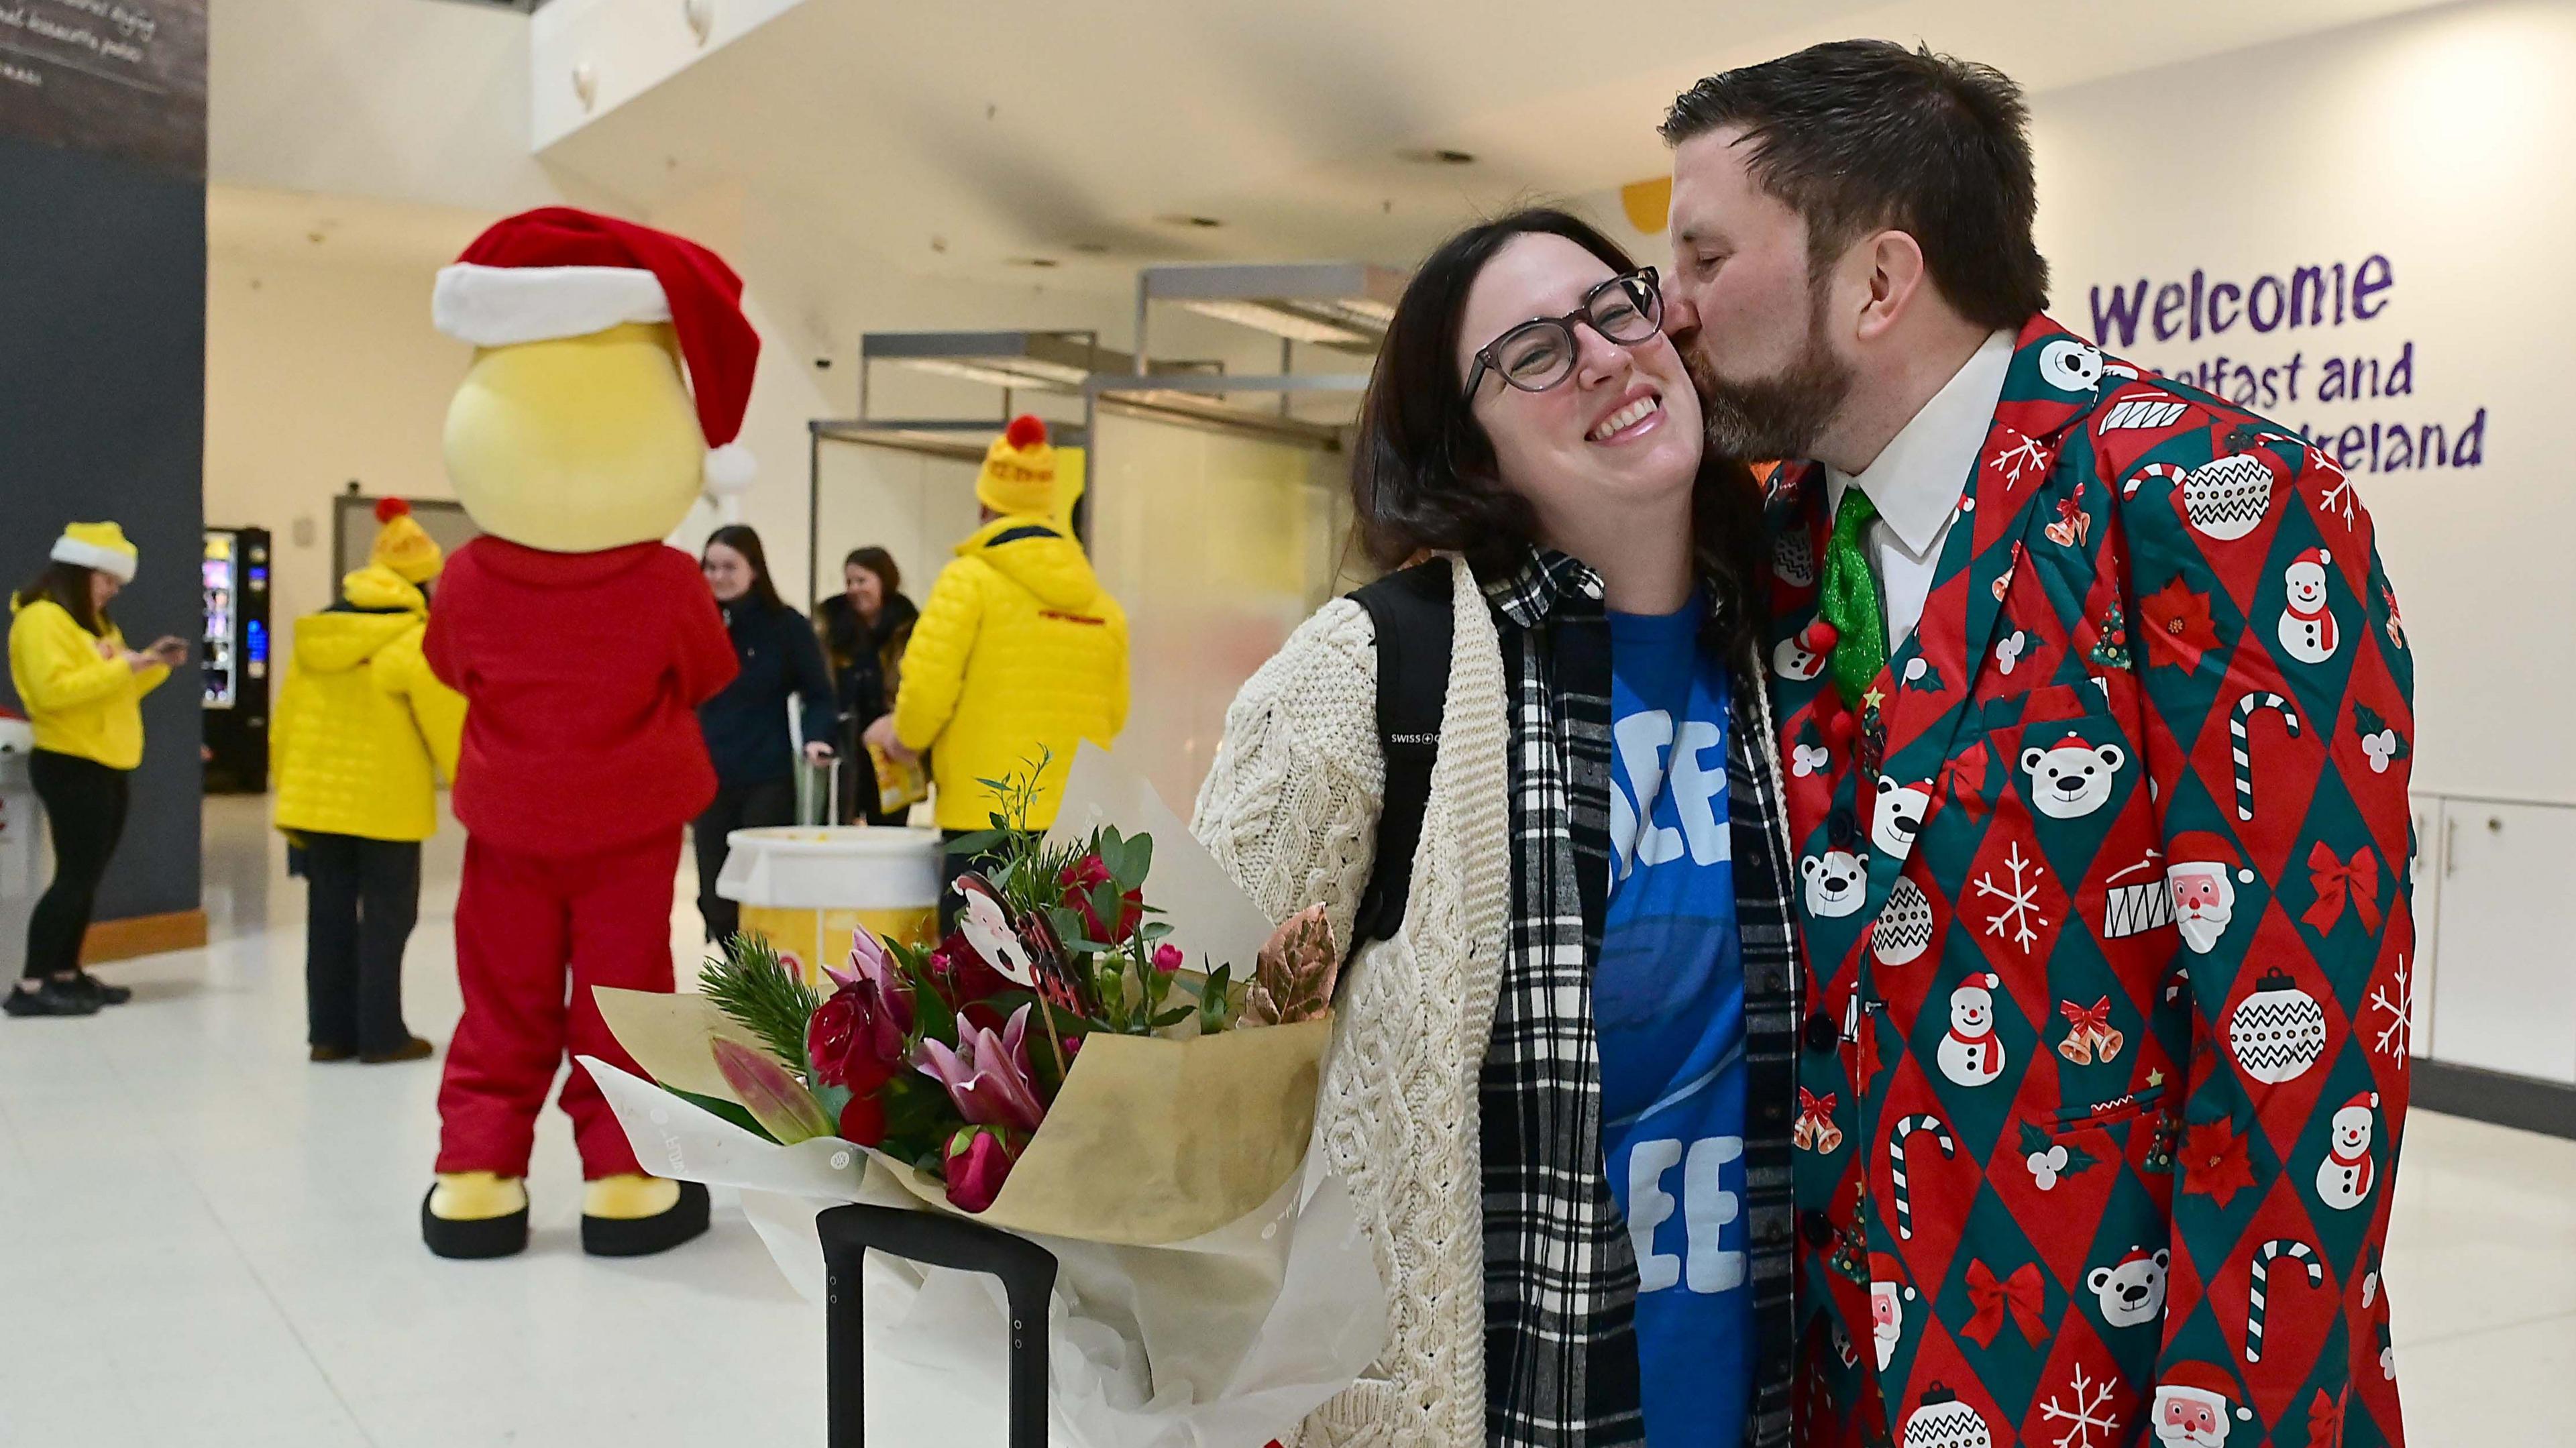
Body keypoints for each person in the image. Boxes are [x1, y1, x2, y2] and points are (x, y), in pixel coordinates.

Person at [1658, 43, 2413, 1448]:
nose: (1669, 310)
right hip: (1833, 1374)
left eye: (1705, 257)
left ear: (1879, 282)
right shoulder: (1773, 537)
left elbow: (2298, 1045)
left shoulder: (2210, 499)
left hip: (2102, 1377)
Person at [1192, 210, 1797, 1448]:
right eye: (1530, 351)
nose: (1601, 355)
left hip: (1784, 1396)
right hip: (1503, 1406)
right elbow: (1188, 1090)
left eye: (1614, 309)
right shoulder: (1366, 679)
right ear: (1468, 445)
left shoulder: (1791, 656)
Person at [865, 416, 1128, 915]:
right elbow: (1115, 712)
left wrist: (902, 739)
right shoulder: (1101, 604)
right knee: (1062, 972)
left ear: (986, 504)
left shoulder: (968, 582)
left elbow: (925, 691)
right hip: (1073, 818)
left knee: (978, 974)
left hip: (984, 820)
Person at [270, 498, 465, 1064]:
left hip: (316, 805)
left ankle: (329, 1035)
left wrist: (288, 789)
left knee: (327, 915)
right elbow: (447, 724)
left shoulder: (318, 634)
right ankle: (381, 1035)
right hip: (385, 808)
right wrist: (471, 788)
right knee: (387, 918)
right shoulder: (412, 640)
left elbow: (283, 723)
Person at [6, 522, 187, 1018]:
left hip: (106, 760)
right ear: (77, 571)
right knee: (73, 877)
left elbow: (113, 689)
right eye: (106, 579)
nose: (112, 591)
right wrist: (125, 666)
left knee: (88, 877)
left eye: (117, 584)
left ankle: (66, 972)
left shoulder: (99, 628)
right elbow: (52, 693)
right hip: (69, 761)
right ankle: (29, 984)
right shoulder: (41, 621)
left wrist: (152, 664)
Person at [695, 524, 837, 942]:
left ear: (754, 569)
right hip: (709, 778)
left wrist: (817, 735)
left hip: (766, 776)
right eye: (710, 567)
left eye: (729, 567)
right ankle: (740, 973)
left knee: (760, 890)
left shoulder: (785, 626)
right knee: (715, 897)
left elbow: (819, 692)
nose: (718, 576)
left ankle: (765, 984)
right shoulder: (696, 622)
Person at [815, 545, 917, 824]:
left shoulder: (909, 625)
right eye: (849, 582)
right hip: (844, 738)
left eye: (862, 581)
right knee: (838, 820)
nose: (854, 589)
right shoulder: (831, 624)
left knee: (891, 825)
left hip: (890, 741)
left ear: (884, 581)